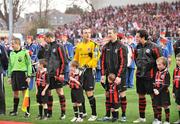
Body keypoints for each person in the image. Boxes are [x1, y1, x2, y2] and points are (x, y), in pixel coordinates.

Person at [133, 29, 162, 123]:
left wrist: (158, 76)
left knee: (154, 97)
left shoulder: (154, 47)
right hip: (140, 76)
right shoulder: (136, 47)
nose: (136, 38)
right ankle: (142, 117)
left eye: (137, 36)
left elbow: (160, 61)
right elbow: (135, 60)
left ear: (143, 37)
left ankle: (157, 119)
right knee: (141, 96)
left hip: (151, 76)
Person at [101, 27, 128, 122]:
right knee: (108, 94)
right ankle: (108, 115)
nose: (109, 35)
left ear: (116, 34)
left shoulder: (121, 46)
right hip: (109, 75)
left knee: (122, 94)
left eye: (111, 33)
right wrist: (103, 74)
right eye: (108, 33)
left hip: (120, 75)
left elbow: (123, 63)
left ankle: (123, 115)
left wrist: (119, 76)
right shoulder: (105, 47)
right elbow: (103, 61)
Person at [74, 27, 101, 121]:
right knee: (80, 93)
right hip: (80, 71)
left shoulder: (94, 45)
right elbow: (76, 59)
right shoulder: (79, 46)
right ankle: (83, 112)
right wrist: (73, 69)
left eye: (89, 32)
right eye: (85, 33)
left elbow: (96, 58)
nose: (88, 34)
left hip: (89, 71)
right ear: (82, 34)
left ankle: (94, 114)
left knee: (89, 93)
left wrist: (87, 65)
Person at [44, 32, 67, 120]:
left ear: (50, 37)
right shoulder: (48, 47)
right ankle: (49, 113)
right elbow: (47, 60)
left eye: (46, 38)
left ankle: (63, 113)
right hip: (49, 73)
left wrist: (61, 73)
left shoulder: (59, 46)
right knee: (48, 92)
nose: (45, 40)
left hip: (57, 74)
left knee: (60, 92)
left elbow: (64, 61)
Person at [8, 38, 32, 117]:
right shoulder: (11, 53)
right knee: (15, 93)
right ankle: (15, 111)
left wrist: (29, 76)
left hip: (22, 74)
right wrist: (9, 76)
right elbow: (10, 66)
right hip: (14, 74)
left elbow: (29, 64)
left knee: (25, 93)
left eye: (13, 44)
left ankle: (27, 112)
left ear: (18, 44)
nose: (12, 45)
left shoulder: (25, 52)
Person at [153, 57, 170, 124]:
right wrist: (154, 88)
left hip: (164, 93)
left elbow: (166, 84)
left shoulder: (167, 73)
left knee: (165, 106)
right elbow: (155, 82)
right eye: (157, 65)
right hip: (157, 93)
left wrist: (159, 91)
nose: (158, 66)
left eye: (160, 65)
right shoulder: (157, 72)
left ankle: (167, 120)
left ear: (164, 65)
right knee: (158, 106)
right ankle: (159, 120)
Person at [0, 43, 8, 115]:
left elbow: (5, 59)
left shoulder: (1, 47)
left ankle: (2, 110)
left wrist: (3, 69)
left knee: (0, 91)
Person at [172, 53, 180, 124]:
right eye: (177, 60)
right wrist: (173, 92)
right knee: (178, 105)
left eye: (179, 60)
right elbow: (174, 82)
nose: (178, 62)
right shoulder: (175, 70)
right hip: (177, 90)